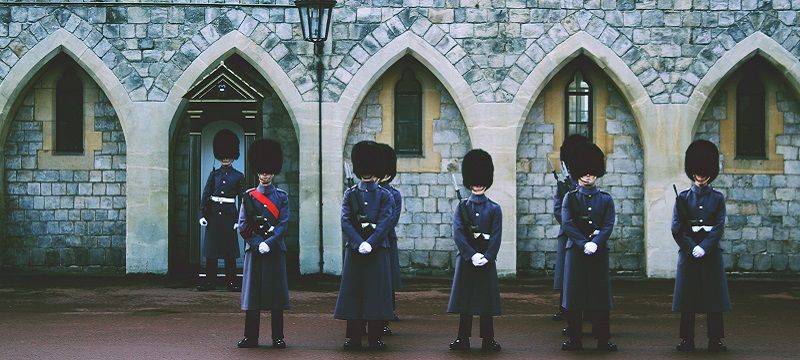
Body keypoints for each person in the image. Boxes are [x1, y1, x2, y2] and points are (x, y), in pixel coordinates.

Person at [334, 140, 395, 351]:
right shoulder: (350, 194)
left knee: (375, 294)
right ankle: (353, 337)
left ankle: (375, 337)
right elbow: (345, 221)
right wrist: (358, 243)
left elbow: (386, 221)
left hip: (377, 251)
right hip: (355, 251)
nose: (367, 173)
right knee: (354, 293)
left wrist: (371, 243)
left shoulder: (385, 196)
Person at [671, 139, 730, 352]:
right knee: (688, 300)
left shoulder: (718, 198)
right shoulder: (683, 199)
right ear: (692, 172)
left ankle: (716, 340)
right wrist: (691, 247)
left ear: (710, 173)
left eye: (705, 172)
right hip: (689, 255)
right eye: (698, 172)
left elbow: (719, 226)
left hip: (711, 254)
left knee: (714, 300)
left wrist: (704, 246)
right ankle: (687, 339)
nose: (701, 176)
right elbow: (677, 229)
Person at [560, 142, 617, 351]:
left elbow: (608, 224)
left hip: (598, 253)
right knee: (575, 296)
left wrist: (596, 242)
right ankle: (575, 339)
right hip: (576, 252)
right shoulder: (570, 198)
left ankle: (603, 339)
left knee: (600, 297)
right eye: (584, 173)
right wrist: (584, 243)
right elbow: (567, 224)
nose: (588, 176)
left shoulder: (605, 199)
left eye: (592, 173)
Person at [236, 139, 290, 349]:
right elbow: (243, 225)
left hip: (275, 250)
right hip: (255, 251)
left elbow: (283, 224)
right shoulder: (249, 196)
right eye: (262, 172)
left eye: (268, 172)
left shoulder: (281, 197)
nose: (265, 175)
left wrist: (269, 242)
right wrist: (258, 243)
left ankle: (278, 336)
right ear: (258, 172)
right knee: (253, 296)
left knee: (275, 296)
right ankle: (251, 337)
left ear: (273, 172)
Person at [447, 149, 502, 352]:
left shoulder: (494, 209)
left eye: (481, 180)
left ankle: (488, 339)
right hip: (468, 261)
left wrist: (487, 256)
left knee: (486, 303)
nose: (478, 184)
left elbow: (496, 236)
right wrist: (472, 255)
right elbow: (459, 234)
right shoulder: (462, 207)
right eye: (474, 180)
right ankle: (463, 338)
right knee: (466, 302)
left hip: (486, 261)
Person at [197, 129, 245, 292]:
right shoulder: (214, 174)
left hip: (229, 216)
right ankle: (210, 281)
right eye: (223, 155)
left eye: (228, 155)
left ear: (233, 155)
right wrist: (202, 214)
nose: (225, 158)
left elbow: (242, 200)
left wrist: (240, 219)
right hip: (213, 215)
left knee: (229, 251)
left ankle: (231, 281)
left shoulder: (238, 176)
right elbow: (205, 195)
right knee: (212, 250)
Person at [552, 134, 590, 333]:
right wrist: (572, 226)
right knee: (568, 274)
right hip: (568, 235)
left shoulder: (587, 180)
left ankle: (590, 309)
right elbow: (558, 208)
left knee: (588, 275)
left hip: (589, 236)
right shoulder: (564, 184)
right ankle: (566, 308)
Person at [378, 143, 403, 335]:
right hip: (369, 241)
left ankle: (387, 312)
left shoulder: (394, 194)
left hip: (386, 240)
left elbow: (391, 220)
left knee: (387, 279)